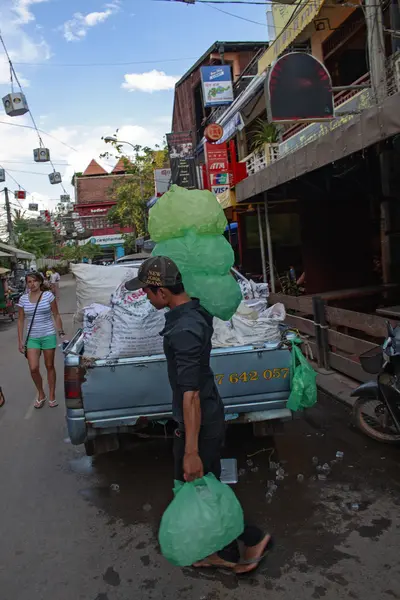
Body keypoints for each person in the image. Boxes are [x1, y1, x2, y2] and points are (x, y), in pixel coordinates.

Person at [125, 256, 272, 574]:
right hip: (202, 416)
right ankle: (217, 549)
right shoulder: (194, 311)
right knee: (194, 483)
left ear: (162, 292)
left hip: (200, 420)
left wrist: (192, 449)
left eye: (148, 292)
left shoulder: (185, 328)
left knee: (202, 483)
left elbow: (191, 394)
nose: (146, 298)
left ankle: (251, 538)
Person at [17, 272, 65, 409]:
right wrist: (20, 341)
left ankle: (52, 395)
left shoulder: (48, 296)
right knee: (33, 368)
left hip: (48, 334)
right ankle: (41, 393)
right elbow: (20, 321)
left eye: (34, 281)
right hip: (32, 337)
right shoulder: (23, 299)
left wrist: (60, 331)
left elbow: (56, 315)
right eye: (29, 282)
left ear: (40, 282)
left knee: (49, 365)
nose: (32, 284)